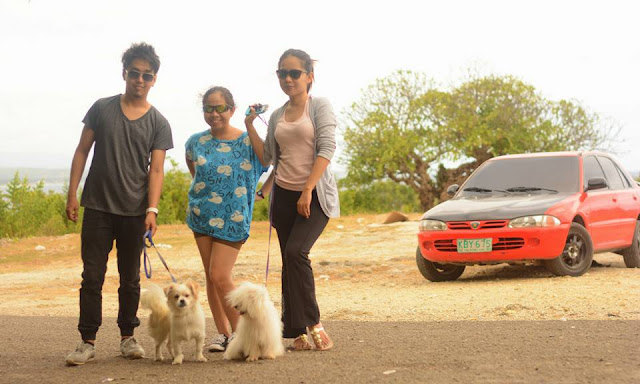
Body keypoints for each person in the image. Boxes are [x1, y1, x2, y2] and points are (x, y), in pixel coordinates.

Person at [64, 42, 173, 366]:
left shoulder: (159, 122)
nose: (140, 79)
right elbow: (82, 150)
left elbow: (156, 169)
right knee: (92, 276)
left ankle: (128, 337)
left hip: (135, 212)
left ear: (154, 79)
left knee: (130, 279)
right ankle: (87, 341)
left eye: (147, 75)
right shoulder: (101, 108)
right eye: (134, 73)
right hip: (97, 206)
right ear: (124, 73)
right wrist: (72, 194)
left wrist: (152, 210)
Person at [245, 48, 340, 351]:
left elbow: (326, 148)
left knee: (297, 253)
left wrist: (308, 189)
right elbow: (270, 158)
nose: (288, 78)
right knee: (288, 260)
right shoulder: (275, 115)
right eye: (282, 73)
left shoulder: (319, 106)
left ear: (309, 76)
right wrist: (249, 125)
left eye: (294, 73)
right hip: (283, 196)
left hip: (312, 194)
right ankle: (295, 332)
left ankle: (314, 323)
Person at [185, 86, 271, 352]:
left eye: (220, 108)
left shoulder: (247, 140)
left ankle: (244, 335)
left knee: (220, 275)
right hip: (201, 216)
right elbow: (196, 174)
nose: (214, 113)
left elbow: (268, 161)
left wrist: (250, 124)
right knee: (211, 277)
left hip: (234, 219)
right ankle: (223, 334)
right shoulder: (195, 142)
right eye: (208, 108)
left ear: (232, 110)